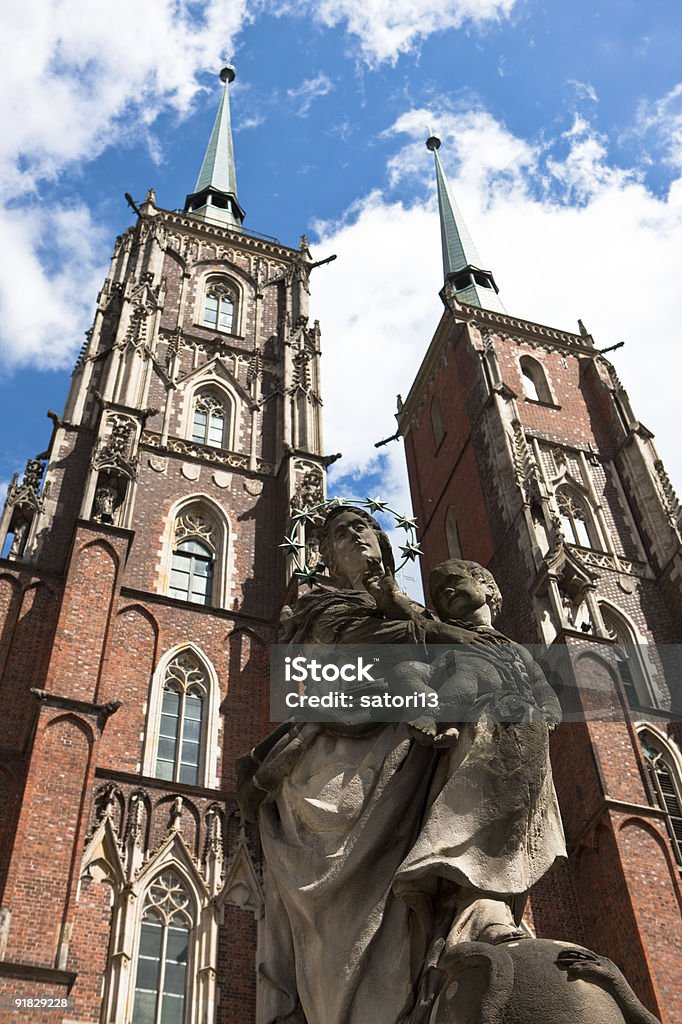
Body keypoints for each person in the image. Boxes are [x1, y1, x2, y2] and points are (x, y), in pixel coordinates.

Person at [237, 509, 565, 1024]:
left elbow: (479, 661)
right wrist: (440, 639)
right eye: (339, 535)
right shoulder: (321, 605)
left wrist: (442, 642)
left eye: (363, 529)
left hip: (422, 721)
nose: (354, 538)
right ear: (326, 555)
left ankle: (477, 897)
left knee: (505, 709)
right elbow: (345, 651)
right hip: (350, 727)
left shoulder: (415, 610)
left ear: (384, 545)